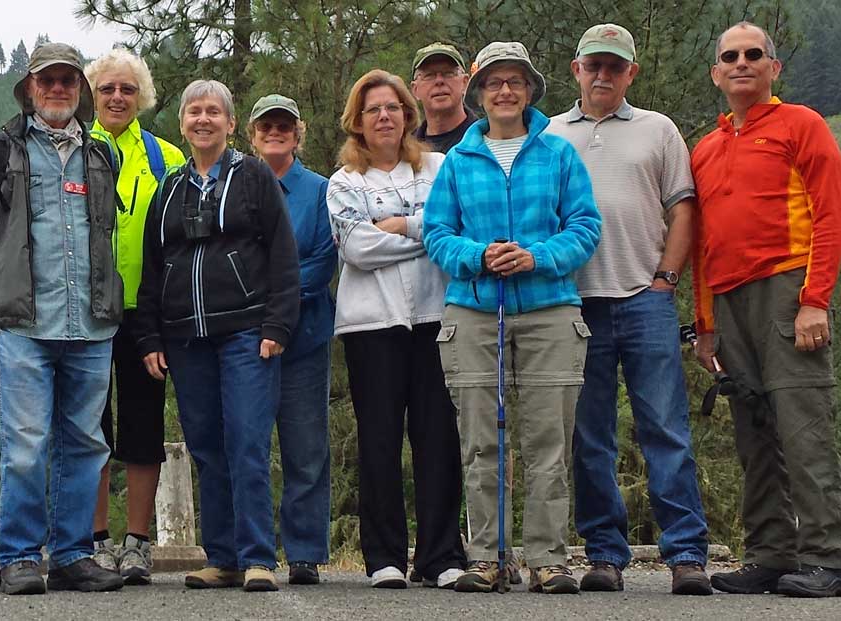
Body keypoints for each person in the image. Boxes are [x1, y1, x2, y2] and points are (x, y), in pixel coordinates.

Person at [424, 41, 601, 594]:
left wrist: (536, 256)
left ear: (530, 91)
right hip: (474, 312)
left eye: (515, 82)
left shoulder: (559, 154)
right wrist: (477, 257)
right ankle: (488, 558)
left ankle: (548, 558)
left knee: (549, 439)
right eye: (494, 82)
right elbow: (436, 233)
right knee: (480, 441)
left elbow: (585, 226)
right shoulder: (458, 160)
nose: (505, 91)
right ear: (479, 93)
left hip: (550, 309)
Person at [546, 23, 712, 595]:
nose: (602, 74)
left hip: (645, 299)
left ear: (630, 74)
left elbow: (683, 208)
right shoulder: (549, 134)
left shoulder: (657, 130)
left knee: (664, 428)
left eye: (614, 66)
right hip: (574, 303)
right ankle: (605, 554)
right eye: (593, 64)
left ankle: (687, 554)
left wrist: (667, 279)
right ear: (576, 69)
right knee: (590, 435)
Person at [0, 42, 124, 595]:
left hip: (92, 322)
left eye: (67, 81)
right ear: (29, 87)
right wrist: (0, 287)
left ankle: (74, 553)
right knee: (25, 442)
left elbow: (104, 234)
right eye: (46, 80)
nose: (57, 89)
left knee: (86, 443)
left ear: (79, 90)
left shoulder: (102, 155)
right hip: (25, 322)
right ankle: (21, 554)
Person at [692, 21, 841, 597]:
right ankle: (771, 554)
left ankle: (829, 559)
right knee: (753, 431)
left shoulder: (801, 124)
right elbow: (703, 242)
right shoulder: (705, 147)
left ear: (773, 68)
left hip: (788, 288)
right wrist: (704, 326)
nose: (741, 62)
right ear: (716, 72)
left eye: (753, 54)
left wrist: (815, 301)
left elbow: (832, 215)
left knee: (803, 427)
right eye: (729, 55)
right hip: (728, 301)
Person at [134, 79, 300, 593]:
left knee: (247, 441)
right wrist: (149, 336)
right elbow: (153, 266)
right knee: (207, 446)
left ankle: (257, 557)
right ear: (182, 123)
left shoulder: (253, 177)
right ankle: (222, 556)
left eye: (213, 112)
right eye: (192, 112)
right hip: (186, 340)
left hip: (247, 333)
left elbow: (282, 253)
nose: (202, 120)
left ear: (231, 124)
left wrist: (277, 324)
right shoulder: (170, 187)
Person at [328, 69, 467, 590]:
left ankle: (440, 556)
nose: (384, 117)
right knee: (380, 442)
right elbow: (357, 250)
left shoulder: (440, 166)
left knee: (437, 439)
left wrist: (399, 225)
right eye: (372, 111)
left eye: (392, 107)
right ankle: (383, 557)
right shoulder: (345, 181)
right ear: (357, 123)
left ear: (408, 114)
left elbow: (457, 229)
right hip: (371, 326)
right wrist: (425, 229)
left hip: (437, 318)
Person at [83, 48, 186, 585]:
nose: (117, 98)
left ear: (141, 96)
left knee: (143, 426)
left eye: (127, 90)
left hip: (148, 314)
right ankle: (96, 541)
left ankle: (138, 543)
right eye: (107, 89)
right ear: (91, 95)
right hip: (86, 311)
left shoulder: (167, 157)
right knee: (91, 428)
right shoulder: (73, 150)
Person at [246, 94, 337, 585]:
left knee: (306, 448)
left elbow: (323, 260)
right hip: (249, 340)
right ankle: (252, 548)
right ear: (252, 134)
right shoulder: (239, 185)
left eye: (284, 125)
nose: (275, 132)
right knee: (249, 444)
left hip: (305, 337)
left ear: (298, 133)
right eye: (266, 126)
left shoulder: (321, 190)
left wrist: (273, 300)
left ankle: (304, 551)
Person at [411, 42, 478, 153]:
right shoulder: (407, 151)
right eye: (429, 75)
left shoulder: (487, 139)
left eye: (448, 73)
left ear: (465, 83)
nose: (439, 81)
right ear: (415, 89)